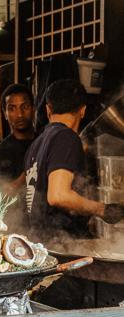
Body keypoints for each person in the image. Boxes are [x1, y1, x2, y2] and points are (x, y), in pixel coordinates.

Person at [24, 79, 123, 238]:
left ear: (48, 109)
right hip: (63, 244)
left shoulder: (36, 143)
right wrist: (102, 209)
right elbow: (58, 196)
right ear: (83, 110)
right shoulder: (66, 137)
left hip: (42, 243)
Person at [0, 83, 36, 183]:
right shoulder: (0, 155)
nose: (20, 114)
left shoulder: (45, 141)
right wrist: (31, 171)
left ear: (33, 109)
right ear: (5, 114)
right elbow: (4, 194)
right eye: (12, 109)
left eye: (25, 106)